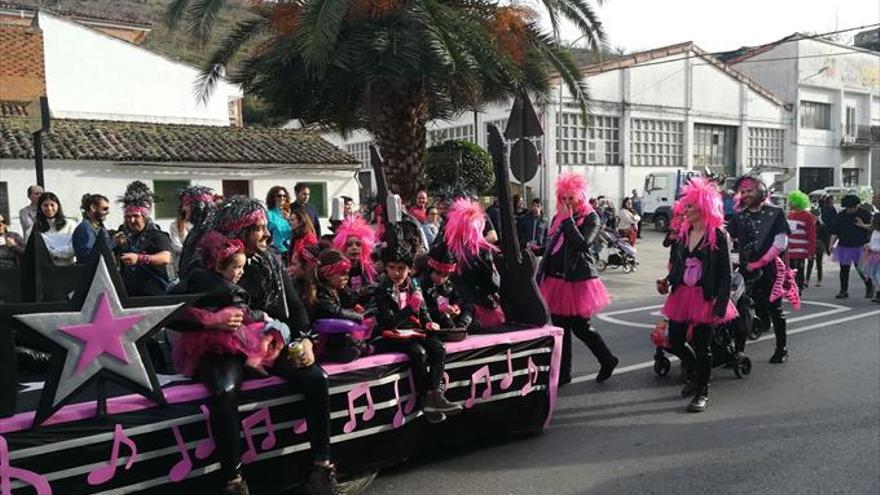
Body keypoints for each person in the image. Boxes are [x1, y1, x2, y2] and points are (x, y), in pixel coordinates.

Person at [174, 196, 338, 495]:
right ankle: (234, 483)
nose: (267, 234)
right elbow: (172, 314)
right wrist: (212, 321)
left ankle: (322, 470)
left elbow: (296, 311)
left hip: (270, 341)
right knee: (224, 393)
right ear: (239, 230)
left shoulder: (271, 260)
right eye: (259, 228)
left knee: (317, 378)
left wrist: (303, 340)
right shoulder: (205, 263)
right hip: (222, 347)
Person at [656, 178, 737, 413]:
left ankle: (702, 391)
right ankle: (694, 373)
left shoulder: (718, 235)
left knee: (703, 347)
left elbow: (725, 274)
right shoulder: (684, 233)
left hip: (706, 297)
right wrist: (667, 281)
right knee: (677, 341)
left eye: (691, 206)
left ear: (704, 207)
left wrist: (721, 303)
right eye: (686, 206)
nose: (686, 210)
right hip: (682, 295)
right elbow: (679, 266)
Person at [538, 173, 618, 385]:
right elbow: (554, 246)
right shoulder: (558, 218)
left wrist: (568, 221)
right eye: (563, 198)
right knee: (561, 330)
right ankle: (564, 373)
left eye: (571, 198)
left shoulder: (591, 217)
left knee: (582, 327)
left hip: (577, 281)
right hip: (555, 280)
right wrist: (536, 248)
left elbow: (583, 244)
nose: (567, 202)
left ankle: (607, 359)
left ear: (580, 197)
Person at [173, 231, 287, 377]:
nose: (241, 272)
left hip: (195, 336)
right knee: (272, 331)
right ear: (220, 266)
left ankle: (189, 370)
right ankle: (255, 359)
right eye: (237, 267)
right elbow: (245, 313)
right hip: (223, 335)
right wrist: (262, 315)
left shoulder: (196, 276)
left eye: (242, 267)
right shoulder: (233, 291)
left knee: (193, 355)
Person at [373, 239, 462, 423]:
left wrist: (428, 322)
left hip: (413, 331)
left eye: (401, 268)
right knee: (418, 352)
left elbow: (423, 311)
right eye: (391, 267)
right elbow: (389, 322)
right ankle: (425, 399)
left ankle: (437, 395)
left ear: (409, 269)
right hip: (391, 335)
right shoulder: (382, 289)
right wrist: (409, 309)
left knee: (438, 348)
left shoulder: (413, 283)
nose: (396, 273)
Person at [727, 175, 790, 364]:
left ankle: (782, 348)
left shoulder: (775, 213)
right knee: (740, 310)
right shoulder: (739, 216)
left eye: (749, 191)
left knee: (775, 309)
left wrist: (761, 261)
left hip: (771, 270)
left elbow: (781, 242)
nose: (745, 194)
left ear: (761, 191)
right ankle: (737, 353)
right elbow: (727, 239)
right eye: (742, 192)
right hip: (746, 271)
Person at [439, 198, 505, 330]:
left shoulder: (447, 250)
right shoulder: (483, 252)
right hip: (480, 310)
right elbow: (493, 285)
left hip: (453, 310)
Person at [113, 181, 173, 296]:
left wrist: (140, 258)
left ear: (145, 216)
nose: (132, 221)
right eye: (128, 217)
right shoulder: (123, 235)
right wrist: (115, 244)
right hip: (129, 294)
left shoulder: (156, 235)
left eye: (136, 216)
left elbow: (165, 258)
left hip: (153, 295)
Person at [311, 249, 370, 363]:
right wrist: (358, 317)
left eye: (348, 273)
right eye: (342, 273)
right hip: (323, 341)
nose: (346, 277)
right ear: (328, 273)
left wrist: (367, 292)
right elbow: (334, 311)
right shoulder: (320, 292)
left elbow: (351, 299)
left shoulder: (338, 289)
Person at [419, 243, 474, 335]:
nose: (441, 279)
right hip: (431, 316)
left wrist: (456, 306)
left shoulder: (449, 283)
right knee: (443, 315)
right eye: (438, 273)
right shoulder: (421, 282)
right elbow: (423, 308)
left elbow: (458, 297)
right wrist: (442, 308)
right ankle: (454, 330)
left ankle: (461, 327)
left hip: (450, 315)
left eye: (445, 275)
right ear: (430, 269)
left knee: (469, 306)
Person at [829, 194, 873, 299]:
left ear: (856, 206)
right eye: (849, 208)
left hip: (860, 246)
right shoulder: (840, 216)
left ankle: (869, 288)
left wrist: (862, 225)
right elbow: (835, 232)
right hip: (844, 246)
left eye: (853, 207)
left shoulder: (864, 214)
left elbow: (874, 228)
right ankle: (843, 290)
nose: (851, 210)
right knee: (844, 270)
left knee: (862, 269)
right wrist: (831, 244)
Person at [175, 185, 217, 279]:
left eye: (187, 204)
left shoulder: (211, 233)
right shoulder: (195, 231)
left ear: (198, 206)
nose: (183, 209)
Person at [331, 215, 378, 299]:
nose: (354, 248)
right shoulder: (337, 271)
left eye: (358, 244)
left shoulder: (369, 270)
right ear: (342, 247)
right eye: (349, 245)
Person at [34, 192, 76, 266]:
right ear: (40, 207)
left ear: (58, 206)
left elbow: (73, 249)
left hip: (68, 268)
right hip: (45, 270)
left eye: (52, 205)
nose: (49, 208)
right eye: (45, 205)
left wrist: (53, 252)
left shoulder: (70, 224)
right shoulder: (35, 228)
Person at [786, 191, 816, 293]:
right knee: (790, 270)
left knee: (799, 270)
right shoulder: (790, 215)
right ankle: (791, 288)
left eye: (791, 202)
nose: (789, 204)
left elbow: (811, 235)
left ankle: (799, 288)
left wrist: (811, 252)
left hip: (801, 250)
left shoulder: (807, 216)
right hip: (789, 249)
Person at [72, 193, 112, 264]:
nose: (108, 212)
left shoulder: (97, 226)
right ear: (93, 208)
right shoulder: (84, 229)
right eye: (105, 209)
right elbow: (90, 255)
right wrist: (114, 243)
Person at [266, 186, 293, 255]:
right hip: (277, 251)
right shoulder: (269, 214)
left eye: (284, 196)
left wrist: (289, 219)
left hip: (292, 249)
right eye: (279, 196)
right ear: (273, 198)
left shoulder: (292, 213)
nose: (282, 198)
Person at [860, 213, 880, 304]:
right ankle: (878, 292)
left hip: (877, 254)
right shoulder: (875, 232)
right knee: (873, 274)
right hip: (873, 254)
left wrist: (872, 247)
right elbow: (874, 243)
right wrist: (869, 245)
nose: (871, 221)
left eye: (872, 219)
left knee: (877, 274)